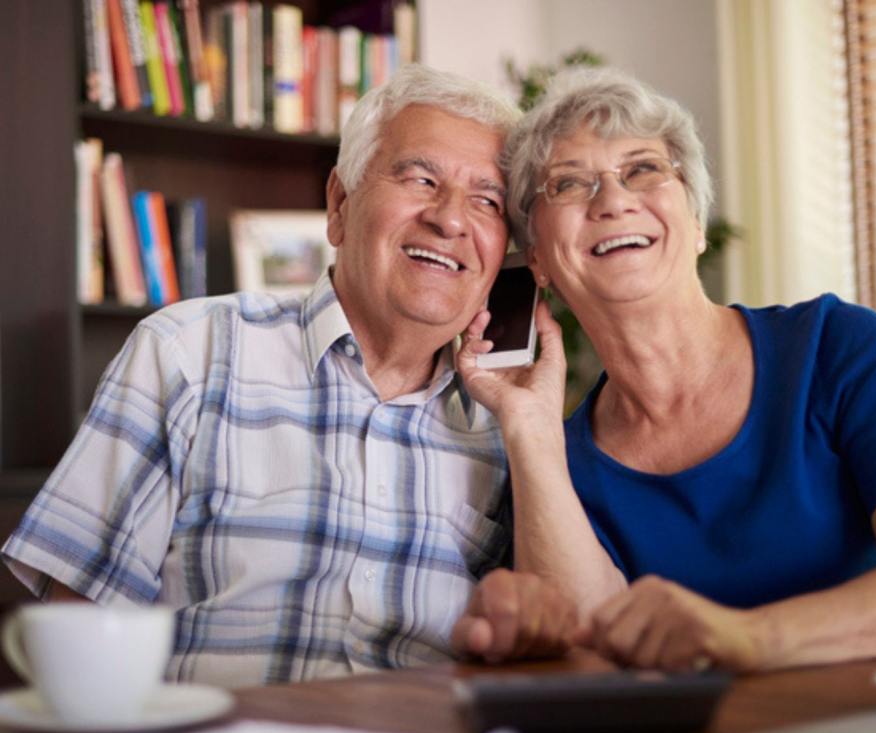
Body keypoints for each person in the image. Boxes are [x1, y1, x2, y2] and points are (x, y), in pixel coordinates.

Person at [1, 65, 572, 687]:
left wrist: (531, 430)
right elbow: (79, 634)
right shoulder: (187, 353)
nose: (450, 219)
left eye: (487, 201)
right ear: (339, 205)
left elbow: (564, 654)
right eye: (420, 177)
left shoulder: (507, 416)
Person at [458, 67, 876, 672]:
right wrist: (529, 429)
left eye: (643, 169)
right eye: (569, 185)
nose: (613, 200)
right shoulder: (561, 465)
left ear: (697, 221)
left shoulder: (838, 348)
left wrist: (748, 638)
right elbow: (585, 652)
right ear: (539, 262)